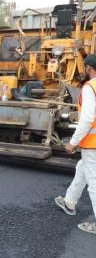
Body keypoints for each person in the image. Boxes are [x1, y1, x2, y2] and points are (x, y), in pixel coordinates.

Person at [54, 54, 96, 234]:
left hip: (93, 143)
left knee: (94, 182)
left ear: (88, 68)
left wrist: (72, 142)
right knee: (82, 168)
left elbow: (87, 119)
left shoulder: (90, 88)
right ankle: (69, 202)